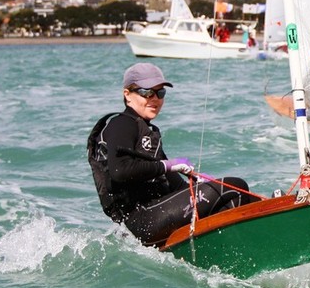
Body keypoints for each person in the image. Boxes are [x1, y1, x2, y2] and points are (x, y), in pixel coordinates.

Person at [87, 62, 258, 246]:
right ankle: (235, 254)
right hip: (140, 220)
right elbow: (120, 170)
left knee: (241, 194)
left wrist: (203, 184)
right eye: (147, 92)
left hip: (153, 214)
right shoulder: (121, 124)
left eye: (160, 93)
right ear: (127, 95)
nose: (155, 98)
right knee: (234, 186)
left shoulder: (145, 130)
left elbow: (172, 185)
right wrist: (167, 165)